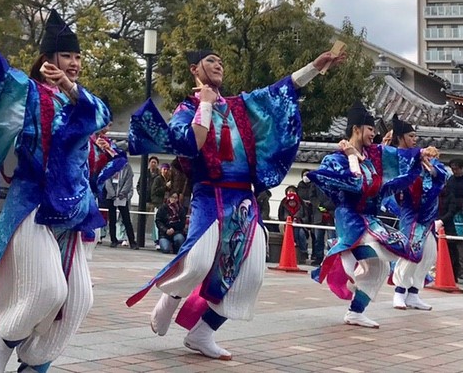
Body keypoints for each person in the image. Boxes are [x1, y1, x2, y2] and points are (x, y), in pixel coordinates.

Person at [127, 45, 346, 361]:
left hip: (243, 199)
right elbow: (192, 143)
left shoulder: (240, 107)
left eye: (220, 61)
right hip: (210, 194)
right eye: (210, 60)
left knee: (252, 274)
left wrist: (316, 65)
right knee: (200, 261)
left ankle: (202, 332)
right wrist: (204, 103)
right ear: (194, 70)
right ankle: (171, 296)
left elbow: (279, 92)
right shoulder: (186, 110)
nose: (218, 65)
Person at [0, 6, 111, 373]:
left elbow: (101, 115)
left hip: (73, 211)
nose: (74, 63)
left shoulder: (79, 100)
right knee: (48, 290)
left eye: (77, 57)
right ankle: (3, 340)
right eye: (66, 56)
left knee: (78, 301)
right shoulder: (29, 94)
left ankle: (32, 365)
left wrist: (68, 86)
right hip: (32, 201)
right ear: (48, 59)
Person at [305, 101, 440, 328]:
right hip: (350, 218)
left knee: (380, 267)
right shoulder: (335, 159)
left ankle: (355, 311)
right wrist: (350, 155)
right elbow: (354, 182)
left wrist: (420, 154)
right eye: (370, 129)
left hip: (370, 218)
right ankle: (345, 264)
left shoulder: (374, 154)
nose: (374, 134)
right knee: (370, 253)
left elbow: (399, 157)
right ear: (357, 129)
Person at [384, 114, 448, 311]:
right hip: (410, 211)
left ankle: (413, 294)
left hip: (427, 213)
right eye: (411, 135)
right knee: (412, 250)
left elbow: (442, 174)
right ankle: (399, 293)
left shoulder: (421, 156)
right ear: (401, 137)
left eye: (415, 136)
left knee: (429, 254)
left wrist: (433, 170)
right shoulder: (396, 156)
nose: (415, 139)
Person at [437, 158, 463, 280]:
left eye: (456, 169)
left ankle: (461, 272)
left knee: (460, 246)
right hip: (450, 217)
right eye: (452, 169)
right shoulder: (450, 181)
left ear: (462, 168)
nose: (455, 171)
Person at [295, 177, 331, 264]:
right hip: (318, 214)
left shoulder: (333, 180)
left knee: (332, 238)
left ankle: (331, 258)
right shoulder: (316, 182)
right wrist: (319, 205)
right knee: (318, 238)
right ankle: (319, 258)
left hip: (331, 213)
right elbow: (312, 196)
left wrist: (328, 206)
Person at [106, 155, 138, 248]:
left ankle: (132, 241)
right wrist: (112, 194)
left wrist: (122, 193)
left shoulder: (127, 167)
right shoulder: (110, 165)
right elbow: (107, 181)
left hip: (123, 197)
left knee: (126, 219)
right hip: (111, 197)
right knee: (112, 220)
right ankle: (113, 240)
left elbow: (129, 181)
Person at [277, 185, 309, 259]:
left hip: (300, 224)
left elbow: (306, 216)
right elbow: (280, 215)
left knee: (301, 234)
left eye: (293, 192)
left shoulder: (302, 203)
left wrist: (299, 220)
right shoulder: (283, 202)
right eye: (289, 191)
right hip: (287, 224)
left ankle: (303, 252)